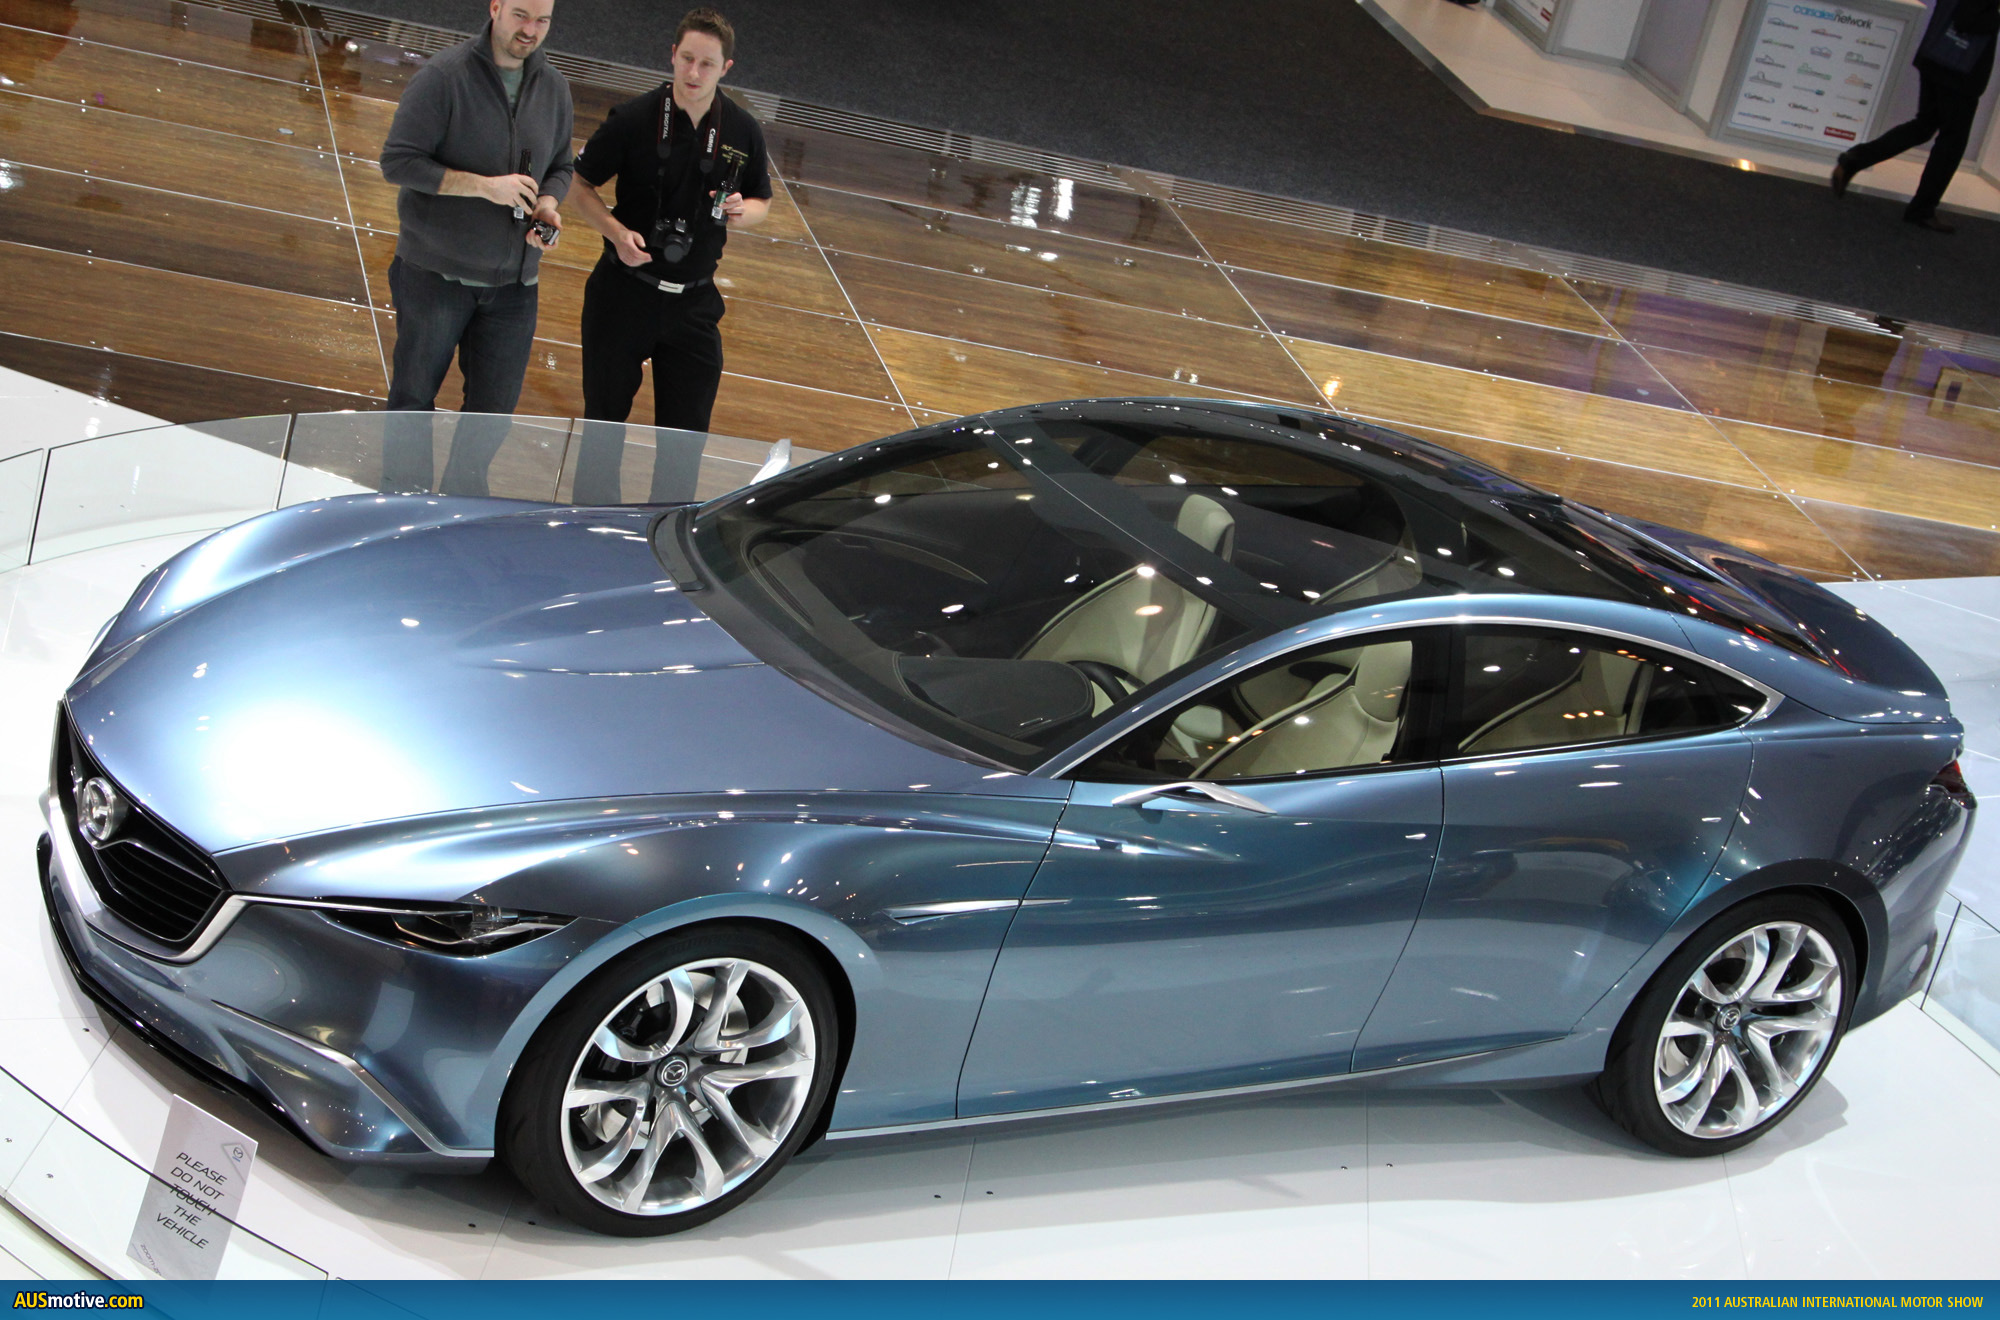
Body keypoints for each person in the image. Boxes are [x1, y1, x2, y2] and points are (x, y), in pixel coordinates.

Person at [565, 7, 770, 502]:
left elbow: (761, 201)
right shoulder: (634, 118)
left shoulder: (742, 130)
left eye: (707, 64)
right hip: (623, 294)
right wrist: (615, 232)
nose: (694, 73)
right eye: (687, 59)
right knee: (603, 431)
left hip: (693, 304)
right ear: (673, 56)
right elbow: (577, 182)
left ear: (726, 68)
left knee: (684, 444)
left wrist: (743, 212)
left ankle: (668, 534)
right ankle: (591, 526)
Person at [376, 0, 574, 492]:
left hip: (514, 286)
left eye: (543, 21)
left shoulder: (553, 87)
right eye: (521, 15)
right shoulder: (443, 77)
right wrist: (484, 187)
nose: (530, 30)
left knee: (492, 414)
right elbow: (398, 162)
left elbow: (562, 165)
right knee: (413, 399)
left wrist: (547, 204)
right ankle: (404, 506)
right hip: (435, 277)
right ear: (495, 8)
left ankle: (461, 505)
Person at [1831, 0, 1998, 234]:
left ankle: (1854, 160)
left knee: (1924, 126)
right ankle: (1922, 209)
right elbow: (1967, 20)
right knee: (1951, 142)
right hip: (1958, 71)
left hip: (1937, 57)